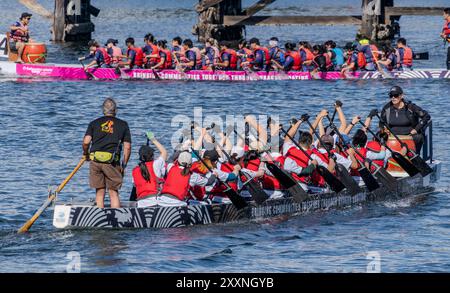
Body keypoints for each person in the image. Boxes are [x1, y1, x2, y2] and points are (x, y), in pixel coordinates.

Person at [82, 98, 132, 208]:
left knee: (99, 191)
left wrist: (86, 154)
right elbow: (127, 147)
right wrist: (124, 164)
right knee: (113, 192)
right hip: (112, 162)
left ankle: (100, 218)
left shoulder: (93, 123)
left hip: (95, 160)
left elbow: (86, 142)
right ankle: (115, 219)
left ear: (103, 110)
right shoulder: (123, 125)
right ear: (116, 110)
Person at [380, 86, 431, 152]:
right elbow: (381, 123)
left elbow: (426, 116)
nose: (393, 97)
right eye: (391, 95)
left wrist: (416, 129)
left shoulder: (411, 107)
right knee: (378, 135)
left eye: (395, 95)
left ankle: (414, 156)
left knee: (418, 137)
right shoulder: (386, 108)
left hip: (410, 136)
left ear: (401, 96)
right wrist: (384, 129)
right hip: (393, 136)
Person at [132, 132, 168, 207]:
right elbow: (164, 152)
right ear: (152, 156)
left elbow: (135, 186)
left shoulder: (134, 170)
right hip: (155, 201)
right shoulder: (156, 164)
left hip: (141, 203)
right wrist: (153, 139)